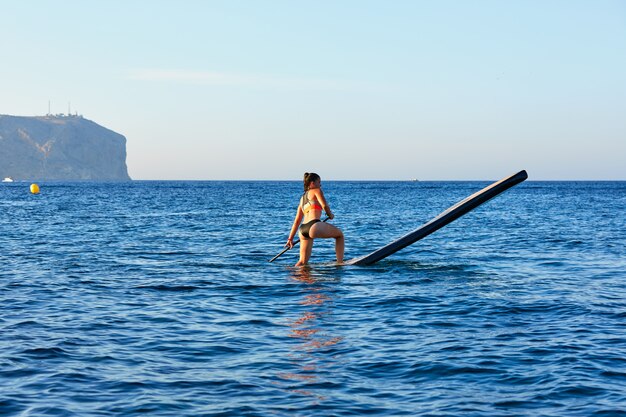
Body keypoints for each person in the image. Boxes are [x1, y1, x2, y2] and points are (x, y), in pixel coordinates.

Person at [286, 173, 344, 266]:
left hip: (302, 230)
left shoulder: (302, 199)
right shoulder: (317, 190)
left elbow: (297, 222)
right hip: (314, 226)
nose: (320, 185)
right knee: (340, 235)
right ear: (312, 183)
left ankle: (293, 276)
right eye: (319, 182)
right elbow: (325, 205)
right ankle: (340, 263)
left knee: (302, 262)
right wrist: (330, 215)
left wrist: (290, 238)